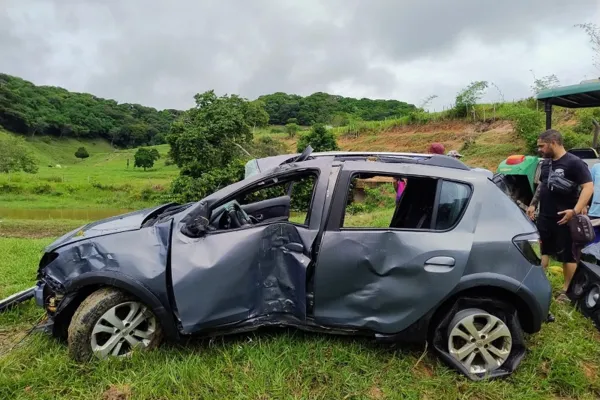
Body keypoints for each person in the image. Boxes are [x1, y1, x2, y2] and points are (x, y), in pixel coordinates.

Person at [526, 129, 594, 301]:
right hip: (545, 217)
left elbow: (588, 187)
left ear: (553, 143)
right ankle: (538, 286)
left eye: (542, 146)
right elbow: (542, 185)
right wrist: (533, 205)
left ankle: (566, 292)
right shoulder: (546, 163)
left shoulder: (574, 163)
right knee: (542, 251)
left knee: (568, 256)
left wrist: (575, 211)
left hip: (566, 219)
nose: (539, 149)